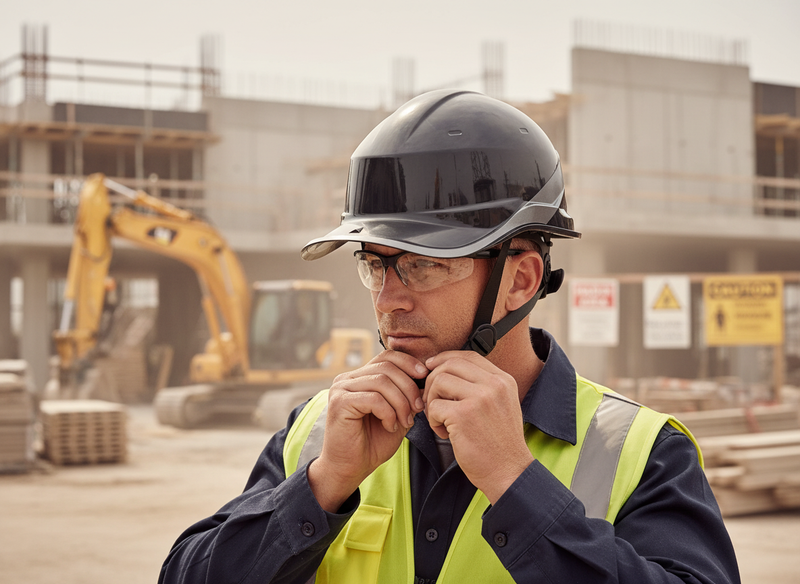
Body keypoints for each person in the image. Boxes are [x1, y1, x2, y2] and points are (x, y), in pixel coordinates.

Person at [159, 90, 740, 584]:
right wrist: (319, 488)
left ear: (521, 279)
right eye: (375, 264)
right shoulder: (316, 434)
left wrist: (517, 485)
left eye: (426, 264)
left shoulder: (637, 452)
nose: (389, 299)